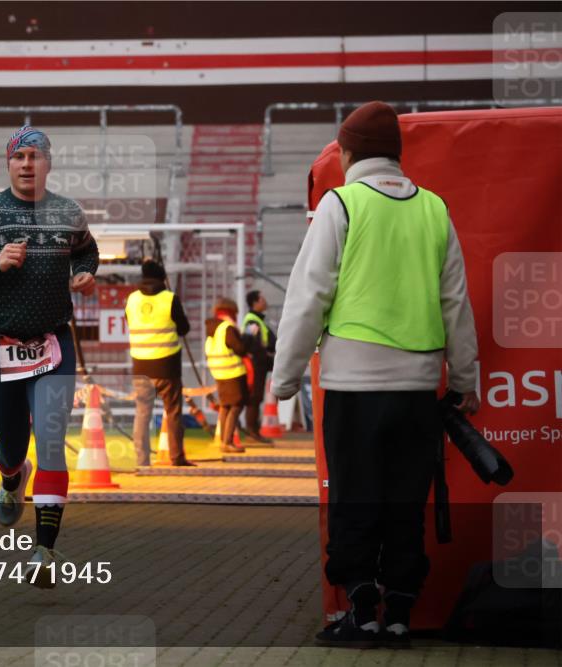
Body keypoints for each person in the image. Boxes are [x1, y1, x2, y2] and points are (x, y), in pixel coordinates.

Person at [272, 101, 479, 647]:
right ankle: (401, 613)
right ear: (397, 154)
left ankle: (361, 612)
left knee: (356, 496)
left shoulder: (341, 204)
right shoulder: (435, 209)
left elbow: (307, 297)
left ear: (347, 153)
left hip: (353, 388)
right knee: (405, 500)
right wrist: (465, 381)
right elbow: (456, 302)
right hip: (417, 389)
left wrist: (284, 379)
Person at [0, 126, 98, 587]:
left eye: (36, 156)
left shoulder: (67, 211)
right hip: (0, 344)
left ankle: (44, 551)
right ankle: (12, 476)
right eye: (19, 157)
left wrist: (85, 273)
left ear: (49, 164)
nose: (28, 164)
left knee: (51, 445)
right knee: (12, 446)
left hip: (53, 344)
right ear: (9, 165)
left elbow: (89, 251)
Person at [126, 259, 193, 467]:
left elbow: (129, 322)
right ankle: (176, 457)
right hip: (167, 366)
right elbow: (183, 329)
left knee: (142, 413)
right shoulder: (170, 298)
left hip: (140, 366)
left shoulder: (132, 299)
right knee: (172, 412)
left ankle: (142, 460)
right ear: (163, 277)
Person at [205, 298, 248, 454]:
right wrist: (246, 340)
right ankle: (228, 441)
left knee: (225, 406)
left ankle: (223, 440)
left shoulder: (212, 328)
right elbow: (240, 348)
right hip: (233, 372)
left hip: (219, 372)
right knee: (236, 406)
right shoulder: (227, 328)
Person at [241, 290, 277, 443]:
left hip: (260, 364)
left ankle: (253, 431)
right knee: (254, 398)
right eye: (262, 299)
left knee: (256, 398)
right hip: (256, 365)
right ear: (255, 302)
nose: (265, 301)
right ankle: (252, 432)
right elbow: (250, 342)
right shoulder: (252, 321)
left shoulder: (257, 320)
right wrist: (265, 356)